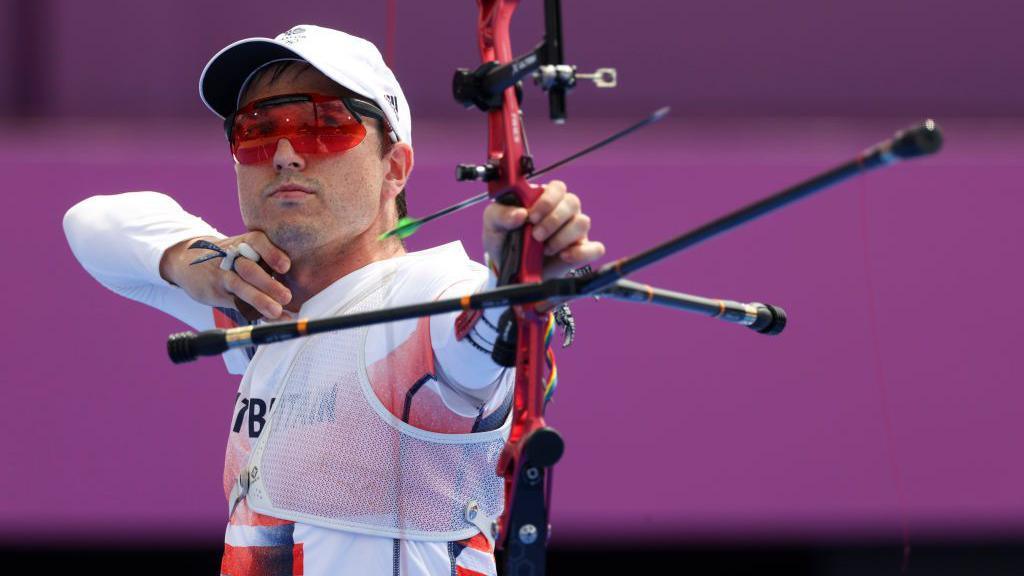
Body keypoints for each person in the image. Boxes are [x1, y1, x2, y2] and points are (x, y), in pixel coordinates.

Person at [62, 25, 603, 576]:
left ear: (393, 167)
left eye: (323, 125)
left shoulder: (424, 298)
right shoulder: (263, 306)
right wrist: (191, 259)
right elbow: (87, 224)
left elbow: (481, 333)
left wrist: (514, 276)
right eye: (257, 130)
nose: (286, 154)